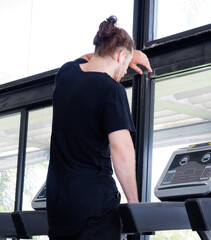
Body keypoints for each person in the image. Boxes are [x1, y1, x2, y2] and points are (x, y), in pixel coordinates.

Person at [46, 15, 152, 240]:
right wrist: (134, 202)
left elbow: (89, 57)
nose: (124, 72)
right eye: (125, 64)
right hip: (94, 205)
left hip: (59, 205)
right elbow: (121, 149)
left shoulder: (65, 75)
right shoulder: (112, 90)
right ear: (120, 55)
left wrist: (129, 53)